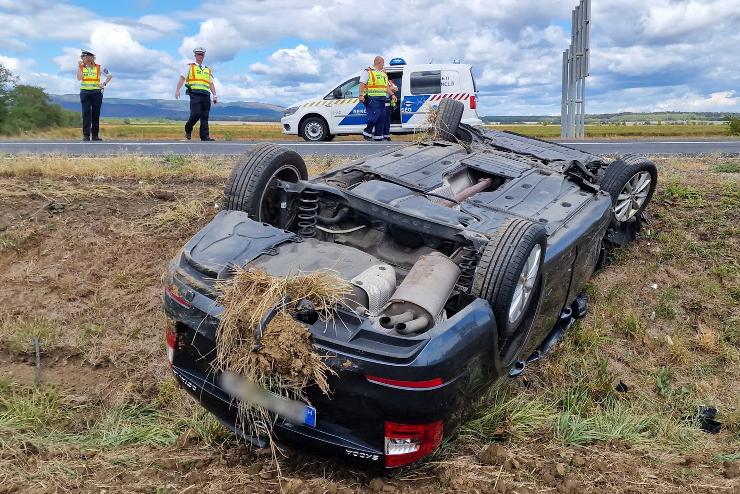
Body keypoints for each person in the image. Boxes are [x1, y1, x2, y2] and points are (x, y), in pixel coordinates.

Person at [175, 47, 218, 141]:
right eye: (198, 54)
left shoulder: (207, 70)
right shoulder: (190, 67)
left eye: (202, 54)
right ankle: (188, 129)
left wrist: (214, 95)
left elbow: (211, 83)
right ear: (195, 56)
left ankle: (205, 136)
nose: (200, 56)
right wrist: (177, 90)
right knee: (196, 114)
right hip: (195, 94)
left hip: (206, 94)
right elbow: (182, 78)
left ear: (204, 56)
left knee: (205, 116)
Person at [77, 50, 112, 142]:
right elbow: (79, 78)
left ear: (89, 58)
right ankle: (86, 136)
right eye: (82, 57)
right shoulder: (82, 67)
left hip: (96, 93)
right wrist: (79, 67)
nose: (82, 59)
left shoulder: (99, 67)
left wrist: (103, 84)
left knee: (95, 114)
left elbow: (109, 75)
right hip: (85, 93)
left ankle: (95, 135)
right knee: (86, 114)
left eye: (83, 57)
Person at [359, 56, 388, 141]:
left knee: (381, 118)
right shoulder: (368, 71)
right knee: (374, 117)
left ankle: (378, 136)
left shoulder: (383, 73)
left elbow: (385, 87)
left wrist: (392, 94)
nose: (384, 65)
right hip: (372, 98)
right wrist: (360, 95)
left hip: (382, 98)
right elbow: (362, 84)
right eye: (383, 63)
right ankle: (366, 132)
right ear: (379, 62)